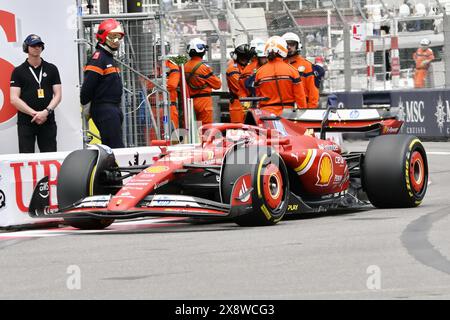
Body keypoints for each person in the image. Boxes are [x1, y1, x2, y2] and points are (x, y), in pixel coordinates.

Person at [10, 34, 62, 153]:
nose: (37, 47)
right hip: (26, 122)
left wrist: (45, 112)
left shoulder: (51, 68)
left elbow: (58, 95)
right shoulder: (18, 71)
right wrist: (34, 114)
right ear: (26, 48)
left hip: (47, 120)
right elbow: (13, 98)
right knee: (26, 159)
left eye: (39, 45)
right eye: (33, 45)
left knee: (49, 157)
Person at [80, 18, 125, 148]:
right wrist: (88, 108)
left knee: (113, 146)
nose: (117, 41)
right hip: (105, 109)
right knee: (115, 147)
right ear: (103, 37)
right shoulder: (99, 58)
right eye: (113, 36)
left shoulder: (108, 58)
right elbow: (87, 90)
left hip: (112, 109)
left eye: (118, 37)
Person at [254, 36, 307, 116]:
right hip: (288, 114)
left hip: (266, 114)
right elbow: (300, 97)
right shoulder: (292, 71)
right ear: (283, 50)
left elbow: (257, 96)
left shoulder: (259, 72)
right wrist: (303, 114)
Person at [184, 38, 222, 125]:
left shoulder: (185, 66)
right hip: (204, 102)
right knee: (206, 129)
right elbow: (218, 85)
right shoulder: (204, 68)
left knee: (194, 130)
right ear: (202, 51)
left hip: (190, 102)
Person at [282, 32, 319, 108]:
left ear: (298, 46)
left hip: (302, 107)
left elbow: (313, 90)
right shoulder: (279, 65)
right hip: (285, 107)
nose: (289, 47)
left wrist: (311, 109)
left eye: (292, 44)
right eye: (286, 45)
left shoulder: (306, 65)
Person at [226, 43, 252, 123]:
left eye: (246, 57)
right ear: (237, 56)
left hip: (248, 102)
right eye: (242, 56)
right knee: (238, 131)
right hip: (238, 104)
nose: (244, 59)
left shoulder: (247, 68)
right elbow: (240, 86)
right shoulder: (232, 69)